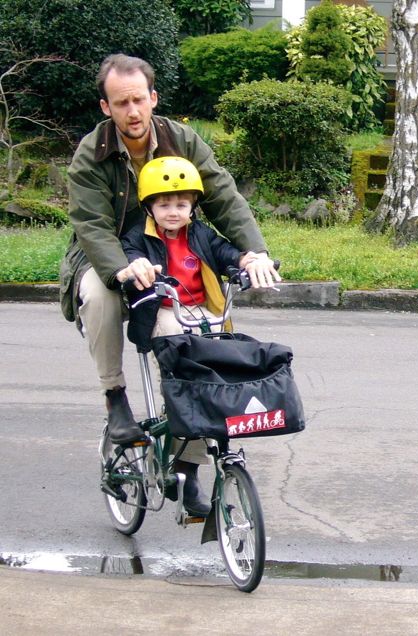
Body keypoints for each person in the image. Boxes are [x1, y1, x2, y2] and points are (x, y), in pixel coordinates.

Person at [59, 53, 280, 504]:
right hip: (108, 256)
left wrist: (254, 253)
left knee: (203, 349)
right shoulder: (91, 152)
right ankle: (115, 396)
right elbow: (92, 225)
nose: (132, 111)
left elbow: (223, 196)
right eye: (121, 103)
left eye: (139, 99)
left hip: (172, 257)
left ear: (153, 98)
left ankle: (188, 466)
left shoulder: (182, 138)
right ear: (106, 107)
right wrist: (121, 266)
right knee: (100, 296)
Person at [121, 156, 261, 516]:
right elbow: (130, 256)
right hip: (163, 312)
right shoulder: (138, 237)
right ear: (149, 206)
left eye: (182, 204)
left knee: (221, 376)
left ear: (193, 206)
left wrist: (245, 261)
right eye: (164, 203)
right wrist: (137, 268)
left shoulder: (199, 233)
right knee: (190, 381)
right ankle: (186, 459)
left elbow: (224, 251)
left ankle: (187, 464)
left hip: (202, 312)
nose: (173, 211)